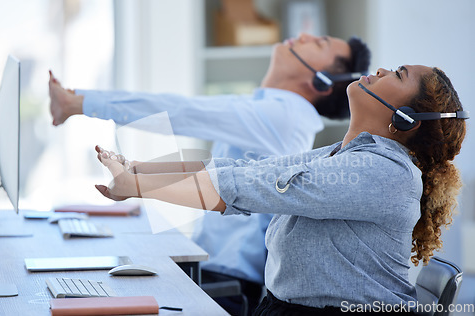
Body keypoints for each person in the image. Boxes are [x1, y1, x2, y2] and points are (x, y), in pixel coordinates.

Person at [93, 64, 467, 315]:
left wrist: (139, 187)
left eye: (398, 74)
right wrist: (140, 170)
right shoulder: (338, 155)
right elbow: (243, 170)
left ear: (405, 119)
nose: (382, 69)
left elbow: (252, 187)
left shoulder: (382, 172)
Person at [49, 33, 371, 315]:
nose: (303, 35)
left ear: (323, 81)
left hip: (225, 288)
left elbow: (180, 112)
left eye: (319, 43)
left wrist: (79, 103)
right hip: (210, 274)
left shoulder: (283, 116)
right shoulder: (267, 108)